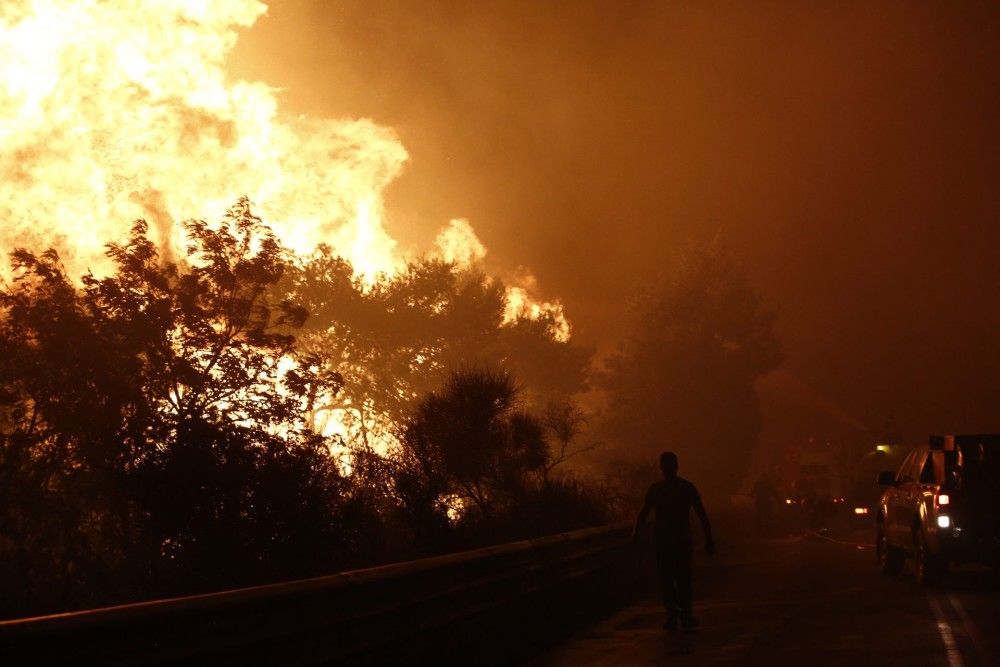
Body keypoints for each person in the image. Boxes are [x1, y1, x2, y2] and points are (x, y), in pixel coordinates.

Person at [632, 451, 715, 631]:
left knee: (667, 580)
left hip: (664, 541)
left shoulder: (656, 489)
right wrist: (709, 539)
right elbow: (702, 514)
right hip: (681, 540)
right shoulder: (686, 487)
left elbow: (643, 513)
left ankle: (672, 616)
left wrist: (635, 534)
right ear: (676, 466)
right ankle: (685, 616)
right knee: (682, 579)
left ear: (661, 468)